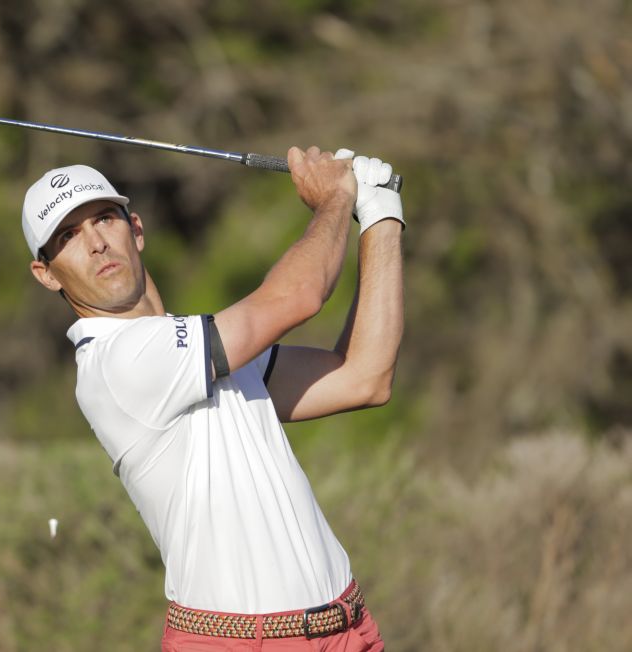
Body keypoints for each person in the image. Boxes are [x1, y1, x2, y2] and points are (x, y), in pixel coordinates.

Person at [22, 146, 403, 651]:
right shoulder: (117, 361)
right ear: (46, 273)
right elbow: (299, 296)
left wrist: (380, 215)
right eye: (68, 237)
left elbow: (363, 376)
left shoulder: (203, 347)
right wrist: (335, 199)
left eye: (104, 219)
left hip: (347, 630)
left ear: (135, 229)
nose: (95, 244)